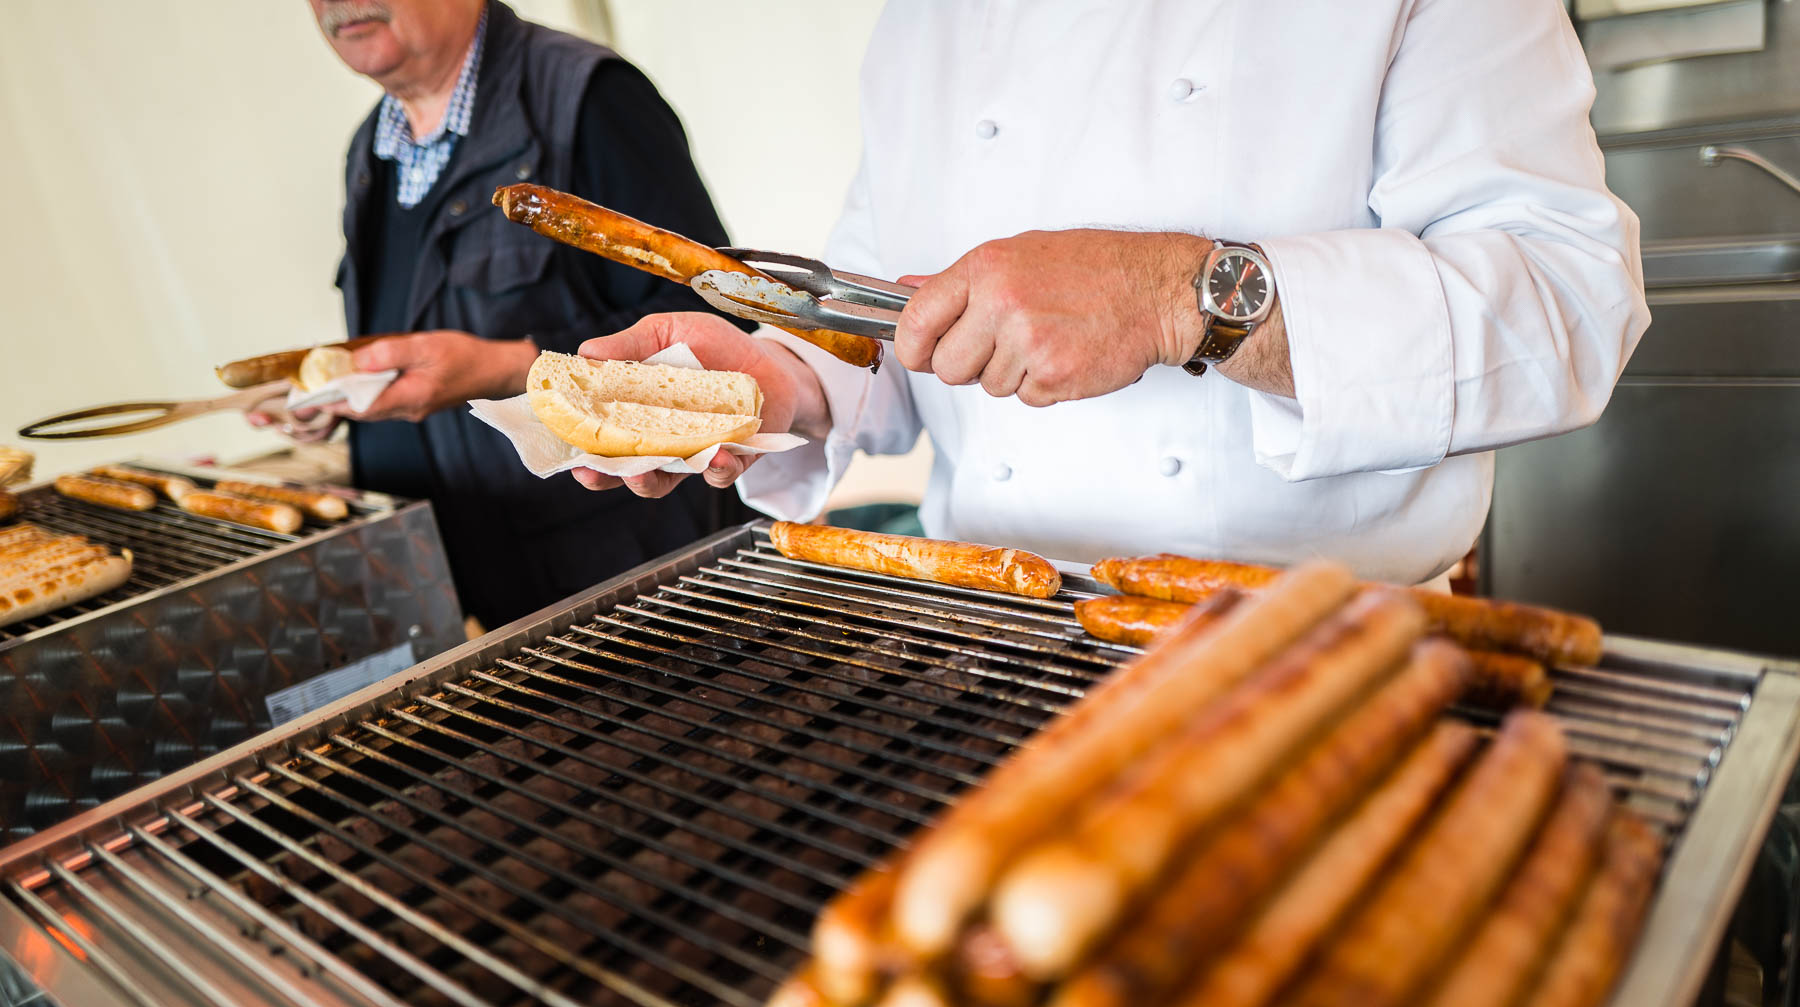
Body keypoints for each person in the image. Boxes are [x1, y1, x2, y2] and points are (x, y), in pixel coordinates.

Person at [572, 0, 1649, 586]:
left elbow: (1565, 300)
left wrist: (1179, 296)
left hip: (1312, 652)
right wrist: (786, 374)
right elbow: (898, 308)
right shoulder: (922, 21)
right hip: (992, 635)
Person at [274, 0, 750, 628]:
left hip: (642, 582)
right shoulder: (371, 152)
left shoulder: (590, 98)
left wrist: (506, 368)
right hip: (484, 592)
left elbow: (718, 325)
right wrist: (342, 400)